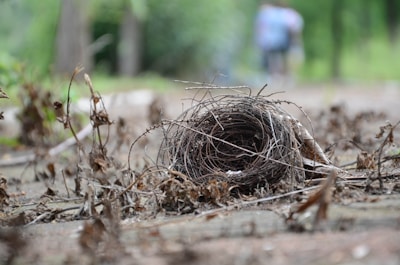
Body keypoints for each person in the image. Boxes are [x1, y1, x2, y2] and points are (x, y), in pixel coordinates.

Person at [255, 1, 303, 78]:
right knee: (280, 58)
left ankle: (276, 75)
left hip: (272, 40)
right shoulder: (285, 14)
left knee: (274, 58)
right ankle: (281, 75)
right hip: (282, 39)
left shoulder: (268, 14)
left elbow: (261, 28)